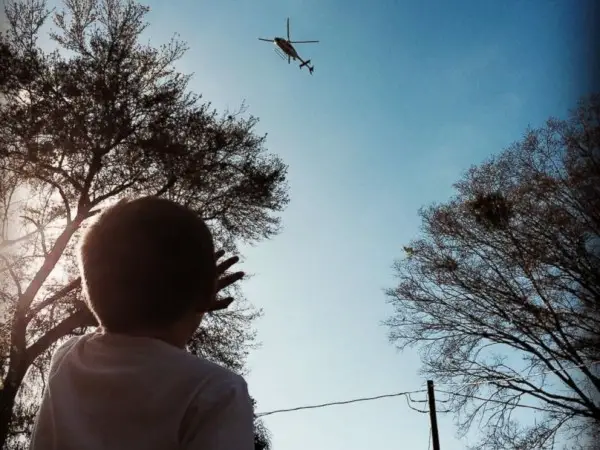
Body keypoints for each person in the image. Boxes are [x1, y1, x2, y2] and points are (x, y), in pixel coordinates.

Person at [30, 197, 255, 450]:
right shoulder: (218, 392)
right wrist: (193, 297)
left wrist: (196, 296)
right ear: (205, 295)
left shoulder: (68, 356)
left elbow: (124, 338)